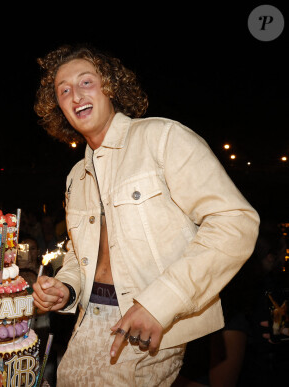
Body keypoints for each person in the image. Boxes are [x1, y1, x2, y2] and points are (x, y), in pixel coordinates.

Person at [31, 44, 260, 386]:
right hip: (84, 325)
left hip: (145, 325)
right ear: (59, 107)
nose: (75, 95)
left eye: (86, 82)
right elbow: (80, 258)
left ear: (109, 86)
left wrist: (161, 302)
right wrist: (65, 288)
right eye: (64, 90)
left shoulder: (162, 138)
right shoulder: (76, 177)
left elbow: (235, 221)